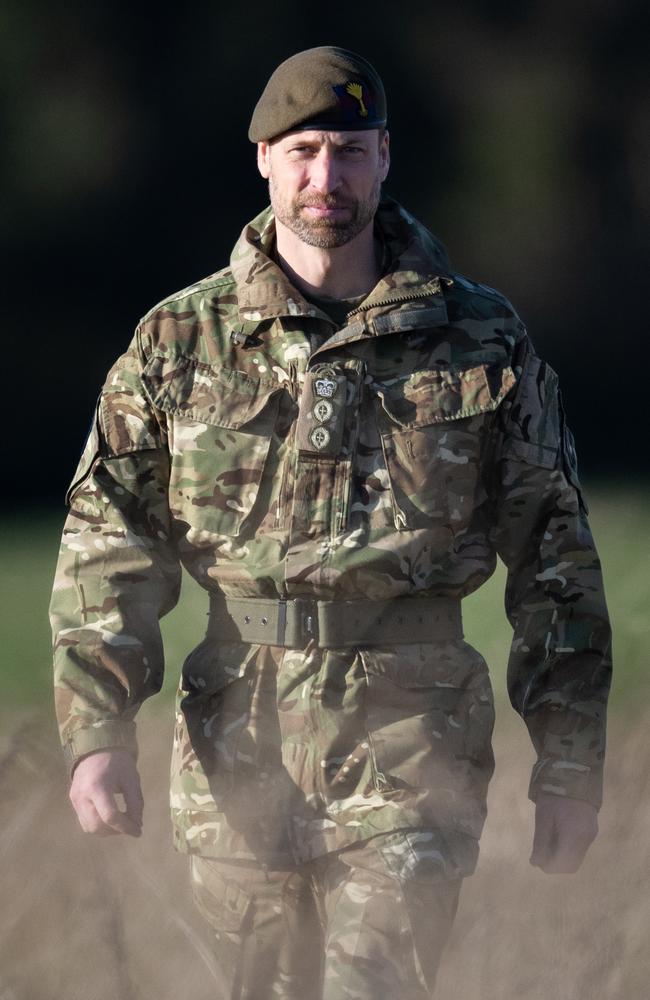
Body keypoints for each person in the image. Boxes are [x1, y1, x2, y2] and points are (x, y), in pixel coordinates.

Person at [50, 46, 612, 999]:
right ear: (262, 157)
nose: (326, 178)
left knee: (374, 984)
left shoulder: (480, 337)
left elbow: (556, 558)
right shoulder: (179, 342)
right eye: (304, 150)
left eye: (350, 150)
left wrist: (566, 764)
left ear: (386, 157)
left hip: (414, 739)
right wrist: (98, 729)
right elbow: (110, 538)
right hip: (240, 739)